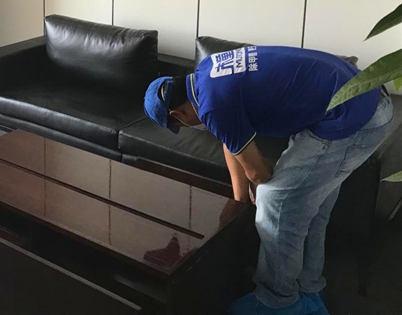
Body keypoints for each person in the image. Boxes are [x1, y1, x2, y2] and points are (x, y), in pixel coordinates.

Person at [144, 45, 393, 315]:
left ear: (177, 115)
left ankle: (278, 299)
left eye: (180, 126)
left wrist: (259, 186)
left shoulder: (212, 106)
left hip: (353, 118)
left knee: (276, 201)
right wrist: (238, 203)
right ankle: (309, 285)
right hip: (364, 95)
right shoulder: (208, 72)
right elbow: (231, 141)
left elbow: (259, 173)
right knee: (312, 206)